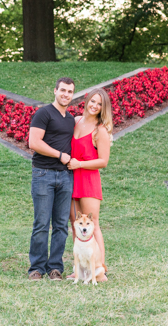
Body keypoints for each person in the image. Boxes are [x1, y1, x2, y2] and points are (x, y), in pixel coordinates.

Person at [27, 77, 76, 281]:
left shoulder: (71, 119)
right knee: (41, 223)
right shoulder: (43, 113)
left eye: (70, 91)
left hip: (65, 176)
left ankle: (55, 267)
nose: (66, 94)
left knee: (61, 225)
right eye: (62, 90)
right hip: (43, 174)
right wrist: (59, 155)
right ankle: (37, 268)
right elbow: (34, 143)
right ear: (55, 90)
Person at [67, 88, 112, 282]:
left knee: (93, 225)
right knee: (76, 225)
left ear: (104, 108)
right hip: (70, 177)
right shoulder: (76, 121)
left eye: (99, 104)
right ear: (86, 101)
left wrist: (80, 164)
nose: (94, 105)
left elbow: (103, 161)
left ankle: (100, 269)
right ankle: (80, 270)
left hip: (88, 179)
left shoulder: (100, 130)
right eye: (92, 101)